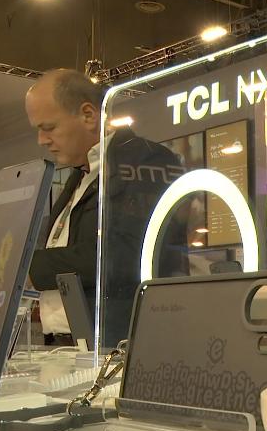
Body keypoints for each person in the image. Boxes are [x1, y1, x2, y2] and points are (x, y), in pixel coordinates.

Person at [25, 68, 180, 347]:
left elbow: (127, 252)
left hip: (117, 345)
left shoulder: (144, 160)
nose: (41, 140)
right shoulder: (80, 176)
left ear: (88, 115)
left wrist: (30, 268)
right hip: (69, 345)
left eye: (48, 128)